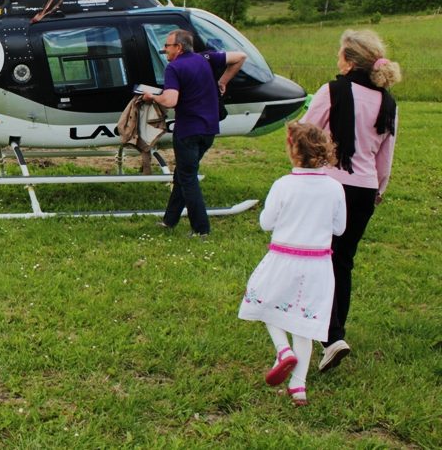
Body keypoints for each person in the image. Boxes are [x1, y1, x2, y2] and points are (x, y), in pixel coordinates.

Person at [300, 29, 400, 372]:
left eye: (340, 54)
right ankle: (333, 330)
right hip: (365, 189)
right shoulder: (388, 101)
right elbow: (385, 156)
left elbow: (307, 133)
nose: (336, 60)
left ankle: (329, 335)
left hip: (329, 185)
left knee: (317, 256)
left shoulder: (333, 91)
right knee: (343, 260)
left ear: (350, 61)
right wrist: (379, 190)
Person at [238, 122, 346, 406]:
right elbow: (340, 228)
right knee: (305, 324)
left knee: (264, 303)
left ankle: (282, 350)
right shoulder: (335, 188)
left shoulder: (283, 185)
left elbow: (265, 223)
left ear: (293, 151)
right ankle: (299, 387)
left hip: (284, 257)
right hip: (318, 264)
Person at [142, 29, 246, 237]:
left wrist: (153, 97)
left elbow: (171, 100)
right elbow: (240, 57)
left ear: (178, 47)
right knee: (182, 173)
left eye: (167, 46)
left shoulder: (174, 67)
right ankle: (169, 221)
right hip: (209, 130)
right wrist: (223, 81)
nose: (164, 50)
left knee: (188, 177)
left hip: (188, 130)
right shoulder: (205, 58)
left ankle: (201, 229)